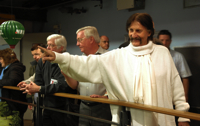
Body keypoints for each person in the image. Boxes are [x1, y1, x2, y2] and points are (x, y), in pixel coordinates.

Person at [38, 13, 190, 126]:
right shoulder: (119, 55)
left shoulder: (162, 53)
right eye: (131, 30)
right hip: (129, 119)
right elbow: (89, 63)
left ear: (149, 32)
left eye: (138, 31)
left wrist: (183, 115)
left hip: (159, 117)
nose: (133, 35)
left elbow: (175, 84)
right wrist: (60, 57)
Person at [18, 34, 77, 126]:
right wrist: (33, 87)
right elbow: (38, 80)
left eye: (51, 45)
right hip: (46, 105)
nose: (47, 48)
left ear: (61, 48)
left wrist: (40, 89)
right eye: (47, 45)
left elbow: (63, 85)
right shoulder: (42, 61)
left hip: (64, 107)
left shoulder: (67, 61)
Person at [62, 26, 112, 126]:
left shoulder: (109, 57)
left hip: (102, 107)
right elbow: (74, 85)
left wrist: (106, 96)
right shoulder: (79, 60)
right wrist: (66, 73)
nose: (77, 44)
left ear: (91, 39)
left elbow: (116, 82)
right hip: (83, 106)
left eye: (80, 40)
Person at [157, 30, 192, 102]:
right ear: (158, 41)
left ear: (170, 41)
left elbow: (185, 77)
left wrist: (185, 95)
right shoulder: (153, 56)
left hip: (174, 93)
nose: (164, 43)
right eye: (162, 40)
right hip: (158, 93)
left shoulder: (178, 56)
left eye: (167, 40)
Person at [0, 48, 27, 126]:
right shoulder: (4, 67)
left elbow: (12, 81)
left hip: (13, 103)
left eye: (1, 59)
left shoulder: (16, 67)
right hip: (6, 101)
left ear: (6, 58)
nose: (0, 61)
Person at [20, 43, 46, 126]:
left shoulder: (49, 64)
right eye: (33, 55)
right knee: (36, 119)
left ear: (44, 52)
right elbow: (33, 78)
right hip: (36, 97)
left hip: (45, 98)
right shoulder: (35, 65)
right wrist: (29, 100)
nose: (34, 57)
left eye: (37, 54)